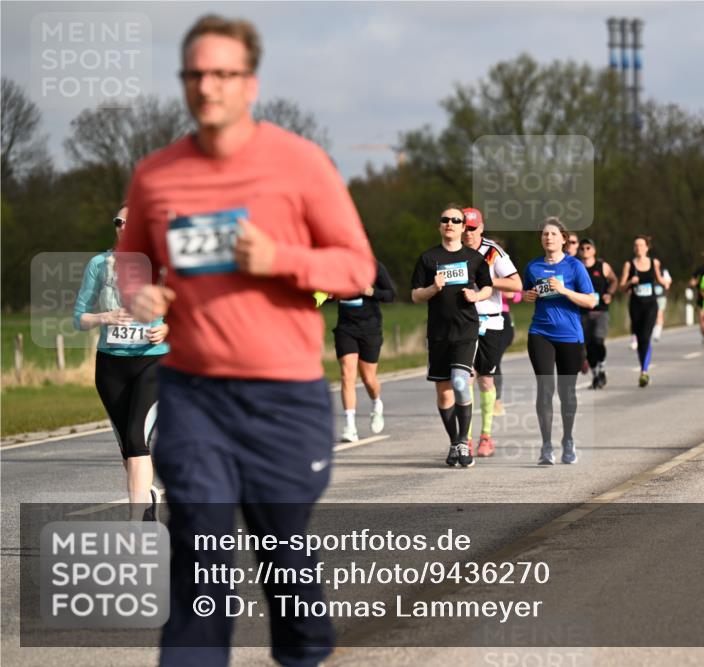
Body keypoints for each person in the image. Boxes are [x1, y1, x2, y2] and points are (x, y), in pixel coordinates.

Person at [116, 14, 376, 667]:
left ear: (249, 83)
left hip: (283, 400)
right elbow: (130, 259)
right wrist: (139, 291)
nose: (208, 86)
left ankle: (305, 644)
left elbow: (356, 268)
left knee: (281, 549)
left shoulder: (300, 164)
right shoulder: (157, 174)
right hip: (193, 395)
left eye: (222, 74)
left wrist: (282, 258)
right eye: (195, 74)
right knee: (200, 549)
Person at [74, 206, 169, 521]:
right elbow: (79, 317)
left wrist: (168, 327)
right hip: (110, 367)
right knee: (128, 450)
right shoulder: (99, 265)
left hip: (152, 363)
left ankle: (135, 527)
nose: (124, 226)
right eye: (119, 222)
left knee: (136, 438)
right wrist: (105, 316)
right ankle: (147, 498)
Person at [412, 205, 493, 468]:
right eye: (445, 219)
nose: (450, 223)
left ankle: (462, 440)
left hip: (466, 330)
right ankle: (455, 442)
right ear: (440, 226)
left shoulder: (474, 258)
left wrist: (476, 295)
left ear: (462, 227)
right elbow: (415, 295)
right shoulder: (428, 258)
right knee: (445, 393)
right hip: (438, 334)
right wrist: (432, 289)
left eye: (455, 220)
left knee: (461, 382)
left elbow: (488, 287)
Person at [523, 217, 597, 464]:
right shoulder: (532, 267)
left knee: (567, 393)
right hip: (540, 333)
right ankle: (546, 446)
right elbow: (525, 294)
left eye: (553, 234)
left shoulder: (575, 267)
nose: (548, 238)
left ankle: (568, 440)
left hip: (570, 336)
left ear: (564, 239)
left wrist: (564, 290)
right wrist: (529, 296)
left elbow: (591, 301)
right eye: (544, 234)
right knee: (545, 389)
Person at [461, 207, 521, 457]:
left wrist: (485, 279)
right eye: (464, 228)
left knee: (485, 379)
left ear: (481, 228)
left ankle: (486, 436)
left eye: (473, 229)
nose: (468, 234)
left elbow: (516, 284)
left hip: (491, 322)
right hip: (463, 322)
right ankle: (466, 438)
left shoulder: (493, 252)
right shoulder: (452, 251)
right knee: (465, 379)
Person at [320, 260, 395, 443]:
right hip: (346, 328)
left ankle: (377, 403)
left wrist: (371, 292)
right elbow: (329, 292)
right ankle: (350, 426)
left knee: (369, 378)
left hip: (370, 328)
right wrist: (328, 295)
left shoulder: (375, 267)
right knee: (347, 374)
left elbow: (391, 295)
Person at [621, 236, 672, 387]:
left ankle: (644, 371)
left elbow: (661, 281)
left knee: (645, 336)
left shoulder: (654, 263)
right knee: (639, 336)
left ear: (647, 247)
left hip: (651, 305)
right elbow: (622, 287)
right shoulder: (629, 265)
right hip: (636, 305)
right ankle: (644, 368)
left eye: (641, 245)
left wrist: (666, 283)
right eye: (636, 245)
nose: (638, 248)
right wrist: (630, 282)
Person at [579, 237, 618, 389]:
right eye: (582, 248)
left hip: (600, 310)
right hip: (583, 312)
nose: (585, 251)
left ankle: (602, 366)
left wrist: (609, 293)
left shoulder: (602, 266)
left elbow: (614, 280)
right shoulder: (577, 267)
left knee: (598, 340)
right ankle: (596, 374)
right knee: (588, 346)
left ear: (594, 250)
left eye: (588, 248)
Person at [652, 260, 672, 342]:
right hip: (651, 297)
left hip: (661, 296)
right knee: (652, 315)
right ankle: (653, 329)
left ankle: (657, 333)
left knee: (659, 313)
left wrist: (666, 284)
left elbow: (668, 281)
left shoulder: (664, 271)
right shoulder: (648, 271)